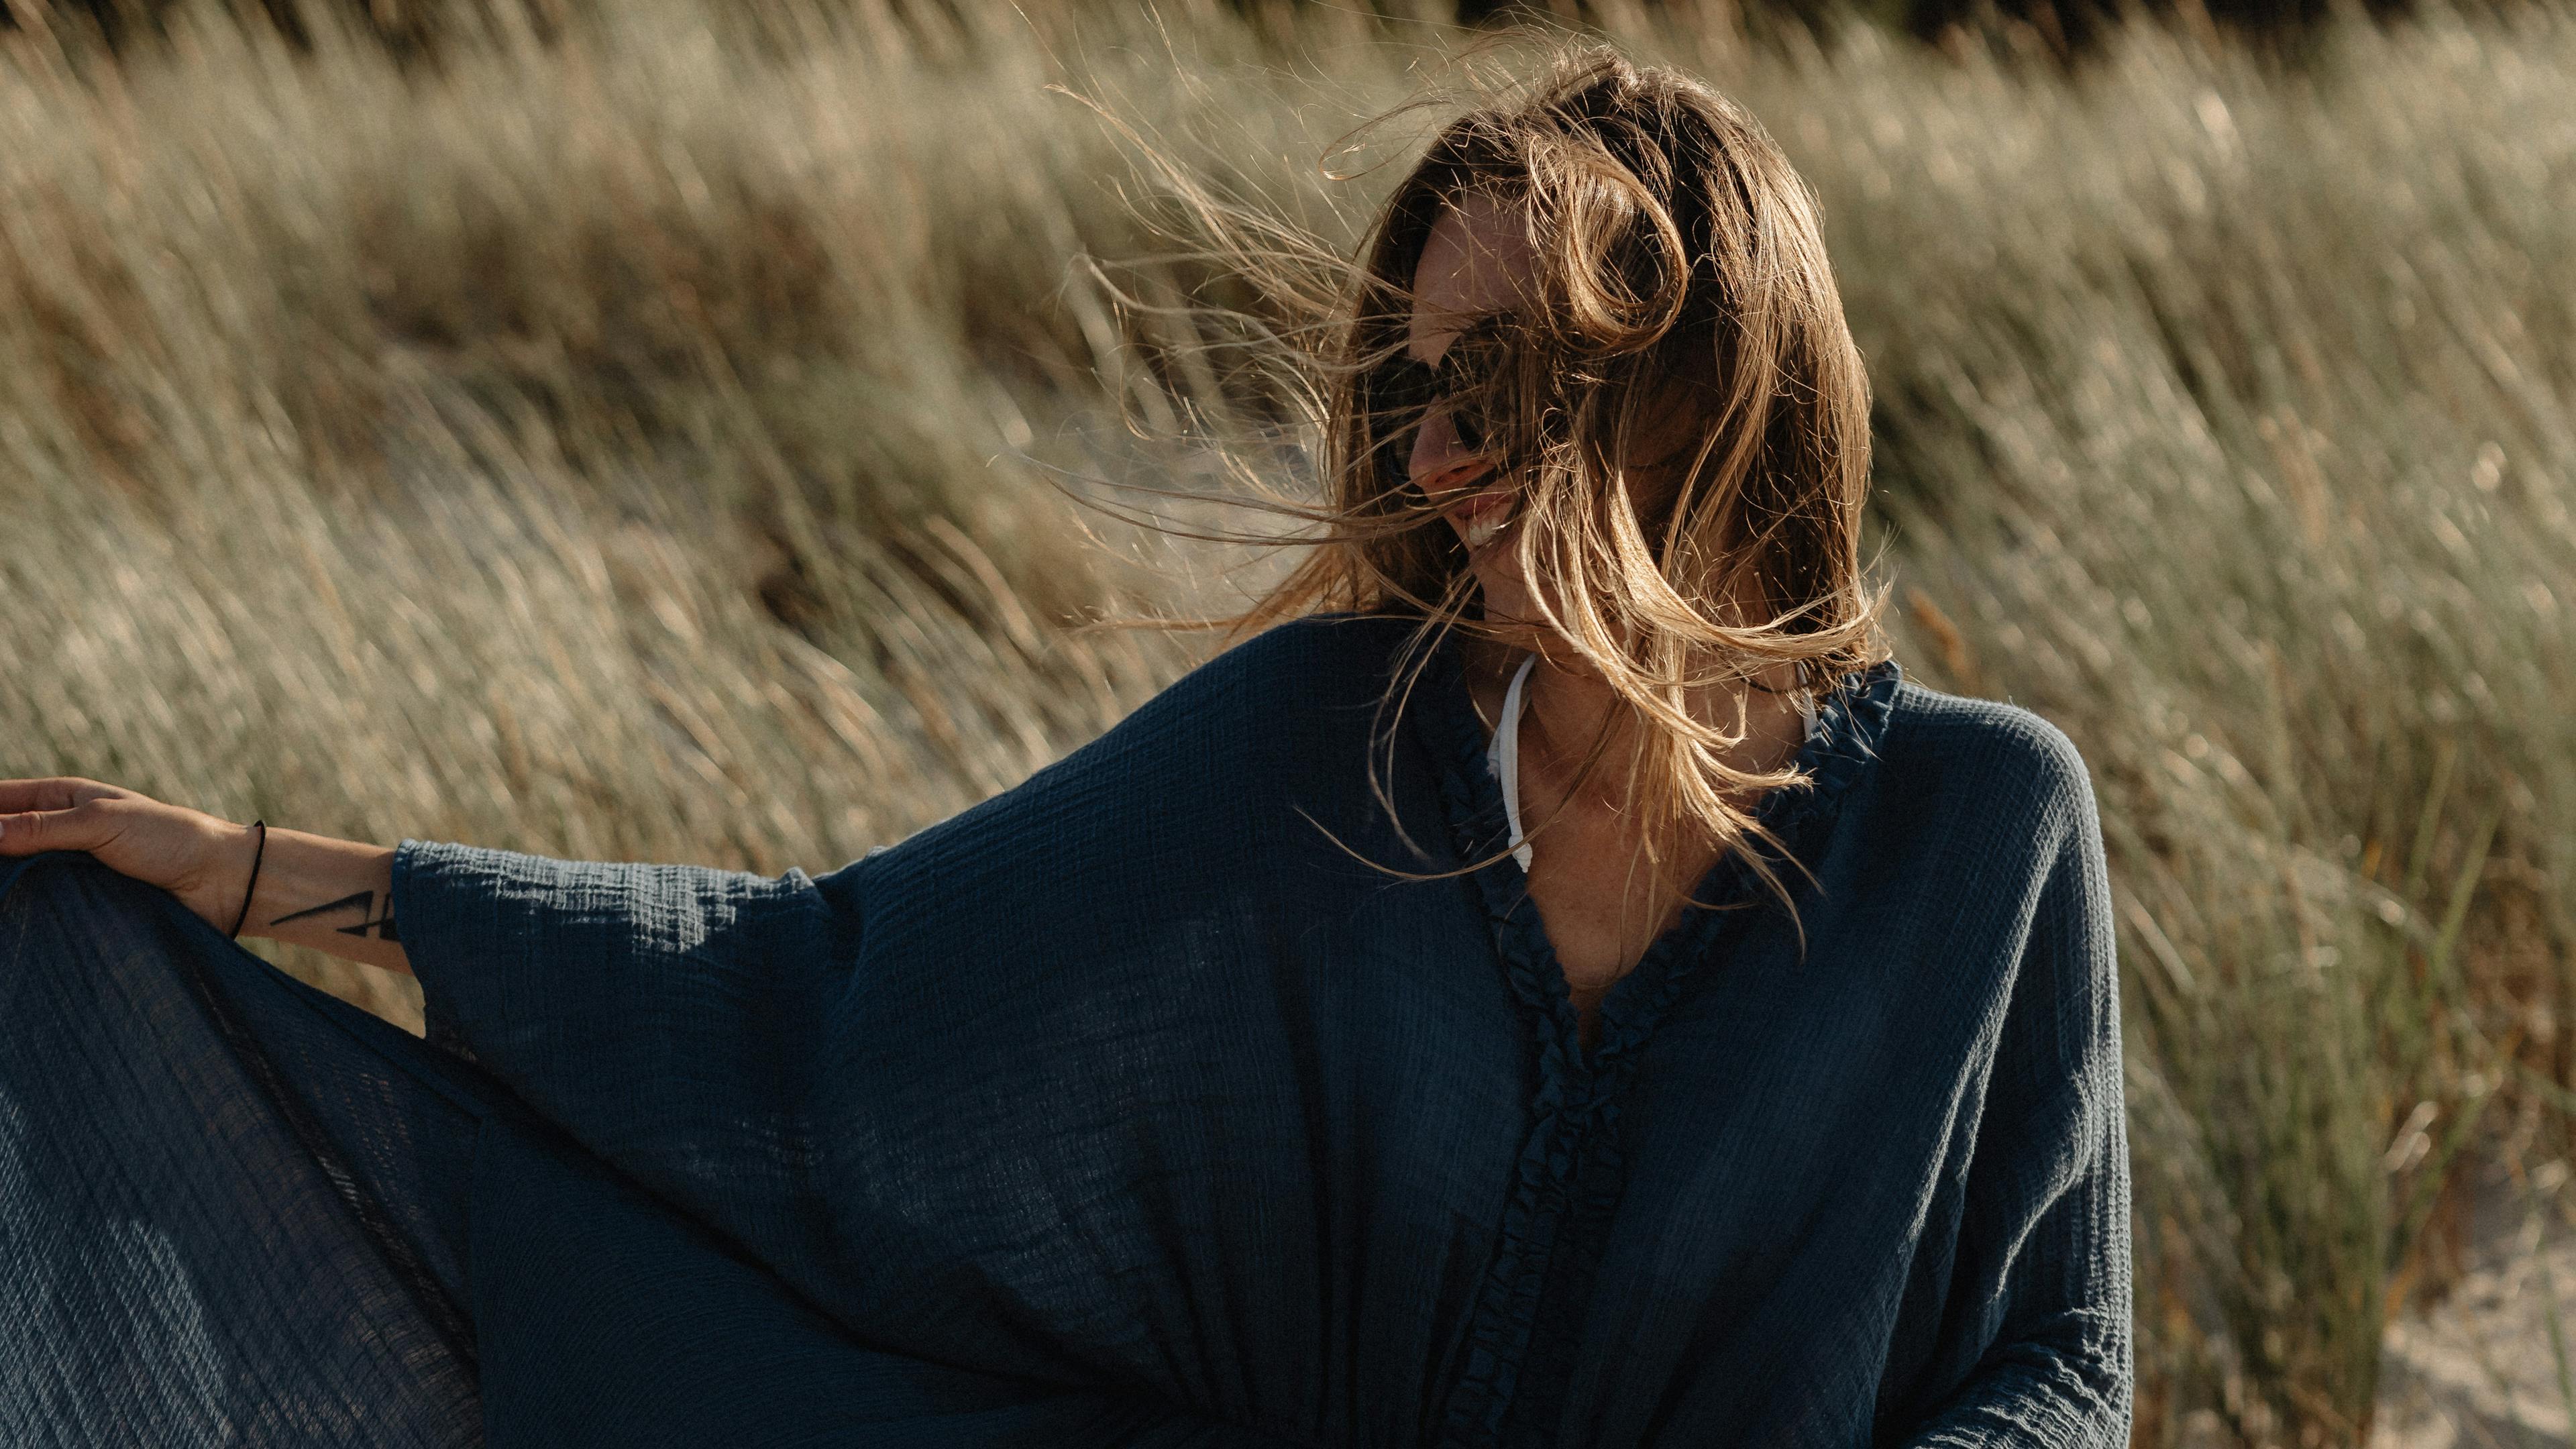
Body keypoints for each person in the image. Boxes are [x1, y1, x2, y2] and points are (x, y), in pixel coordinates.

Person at [0, 48, 2131, 1448]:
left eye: (1510, 380)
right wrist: (266, 876)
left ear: (1702, 382)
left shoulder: (1981, 828)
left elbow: (2060, 1359)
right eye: (1416, 387)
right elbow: (812, 1000)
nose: (1447, 452)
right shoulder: (1337, 755)